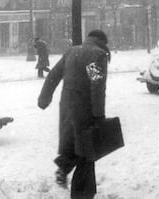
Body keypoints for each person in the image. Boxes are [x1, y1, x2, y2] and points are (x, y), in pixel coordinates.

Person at [37, 30, 111, 199]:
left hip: (67, 106)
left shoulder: (72, 51)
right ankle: (82, 195)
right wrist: (99, 116)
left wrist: (44, 98)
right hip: (85, 109)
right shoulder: (96, 55)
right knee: (87, 152)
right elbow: (97, 86)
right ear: (102, 42)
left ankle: (64, 168)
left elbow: (53, 75)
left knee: (72, 144)